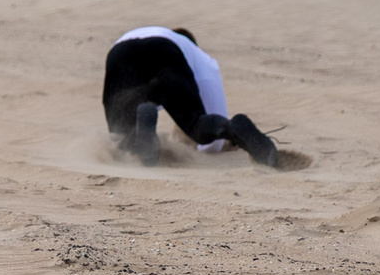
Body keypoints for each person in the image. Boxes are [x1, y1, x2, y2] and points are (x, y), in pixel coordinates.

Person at [101, 26, 284, 168]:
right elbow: (212, 110)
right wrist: (223, 132)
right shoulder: (195, 54)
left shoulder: (143, 35)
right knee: (196, 123)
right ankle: (233, 126)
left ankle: (143, 139)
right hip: (165, 53)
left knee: (120, 134)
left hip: (119, 53)